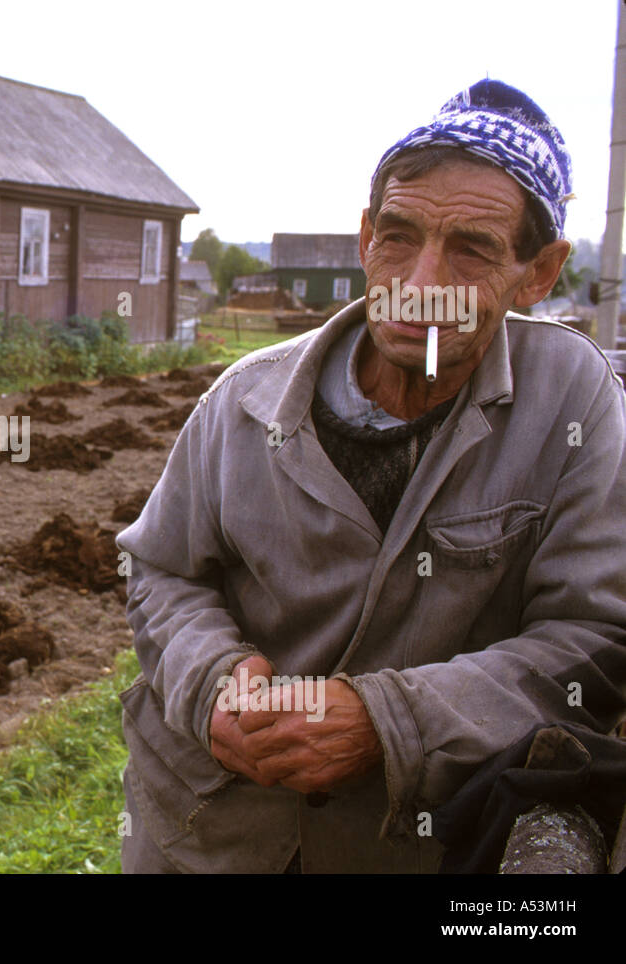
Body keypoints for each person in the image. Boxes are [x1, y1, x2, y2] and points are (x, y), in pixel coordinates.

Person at [116, 79, 626, 873]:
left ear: (539, 272)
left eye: (472, 249)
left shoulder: (575, 403)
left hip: (399, 846)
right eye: (399, 235)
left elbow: (593, 637)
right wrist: (215, 682)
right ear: (364, 237)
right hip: (207, 831)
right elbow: (160, 570)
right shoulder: (242, 401)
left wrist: (387, 721)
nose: (420, 284)